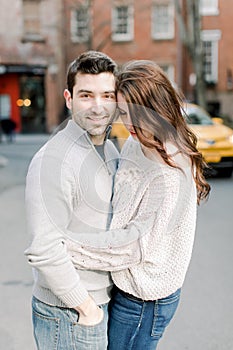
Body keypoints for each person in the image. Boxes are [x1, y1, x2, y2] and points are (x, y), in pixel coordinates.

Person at [64, 60, 211, 349]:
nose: (128, 124)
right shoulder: (138, 142)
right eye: (123, 112)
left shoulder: (169, 172)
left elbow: (135, 246)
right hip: (127, 288)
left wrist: (70, 250)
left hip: (145, 300)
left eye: (137, 114)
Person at [24, 50, 120, 350]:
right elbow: (44, 248)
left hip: (98, 302)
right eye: (86, 95)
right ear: (68, 98)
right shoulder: (54, 161)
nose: (98, 107)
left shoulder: (110, 152)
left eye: (107, 95)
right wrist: (86, 308)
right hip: (68, 313)